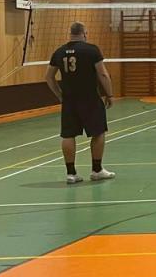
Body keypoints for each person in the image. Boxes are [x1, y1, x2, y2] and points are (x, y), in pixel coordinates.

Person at [46, 21, 115, 184]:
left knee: (68, 134)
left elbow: (48, 77)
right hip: (90, 98)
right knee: (98, 132)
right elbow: (103, 74)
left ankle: (71, 173)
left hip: (69, 100)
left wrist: (60, 95)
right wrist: (110, 94)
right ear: (84, 33)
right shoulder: (92, 50)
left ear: (70, 34)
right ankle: (97, 170)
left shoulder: (59, 52)